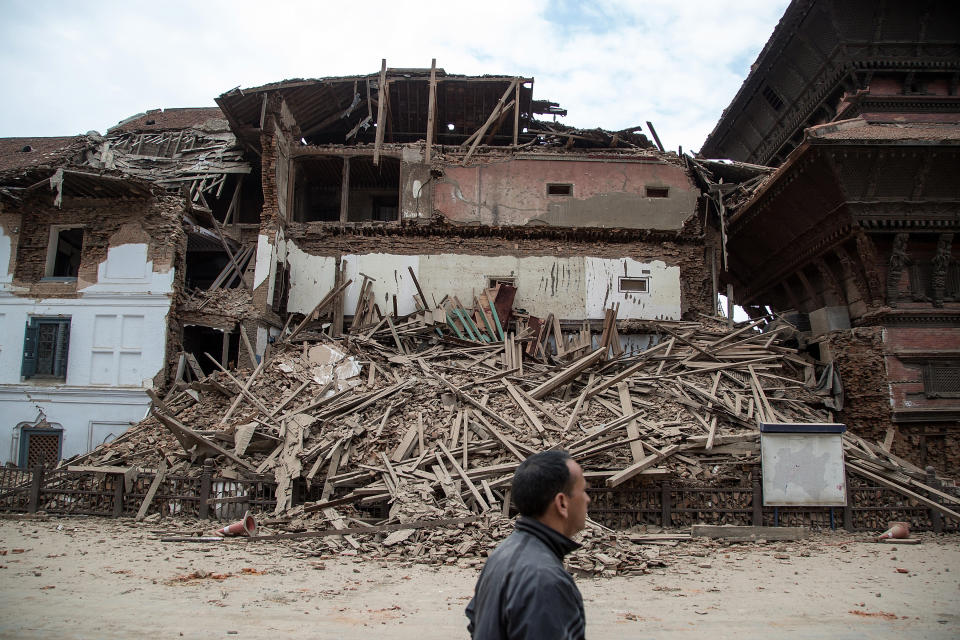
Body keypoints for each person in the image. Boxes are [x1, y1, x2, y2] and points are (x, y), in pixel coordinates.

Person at [465, 450, 590, 639]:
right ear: (562, 503)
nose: (587, 499)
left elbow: (476, 622)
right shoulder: (545, 580)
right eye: (583, 491)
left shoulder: (501, 555)